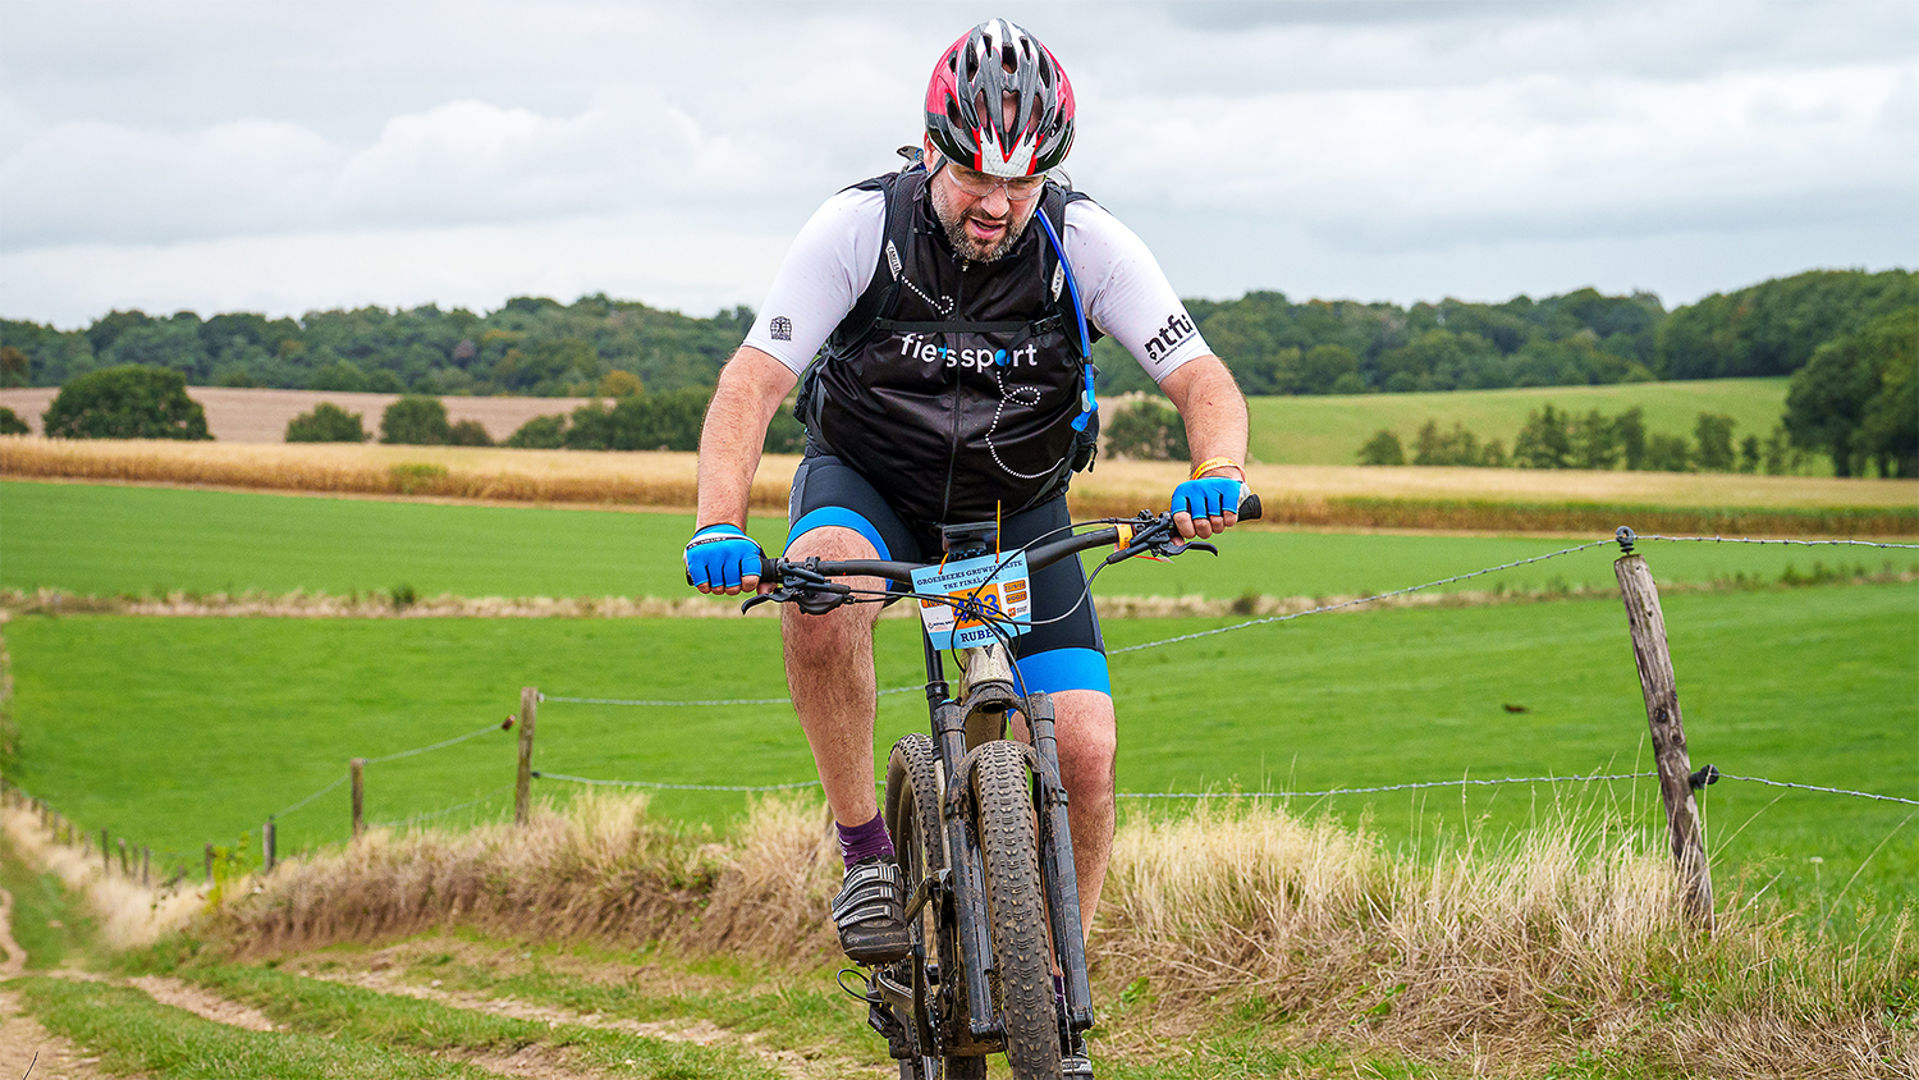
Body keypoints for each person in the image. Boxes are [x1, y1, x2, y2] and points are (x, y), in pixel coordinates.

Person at [685, 17, 1249, 1060]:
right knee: (820, 596)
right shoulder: (857, 228)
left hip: (1014, 508)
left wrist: (1216, 471)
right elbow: (751, 384)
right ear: (930, 150)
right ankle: (864, 856)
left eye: (1022, 183)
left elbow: (1200, 379)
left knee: (1081, 746)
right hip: (872, 489)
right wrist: (722, 520)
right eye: (973, 179)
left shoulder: (1086, 243)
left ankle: (1054, 983)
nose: (996, 204)